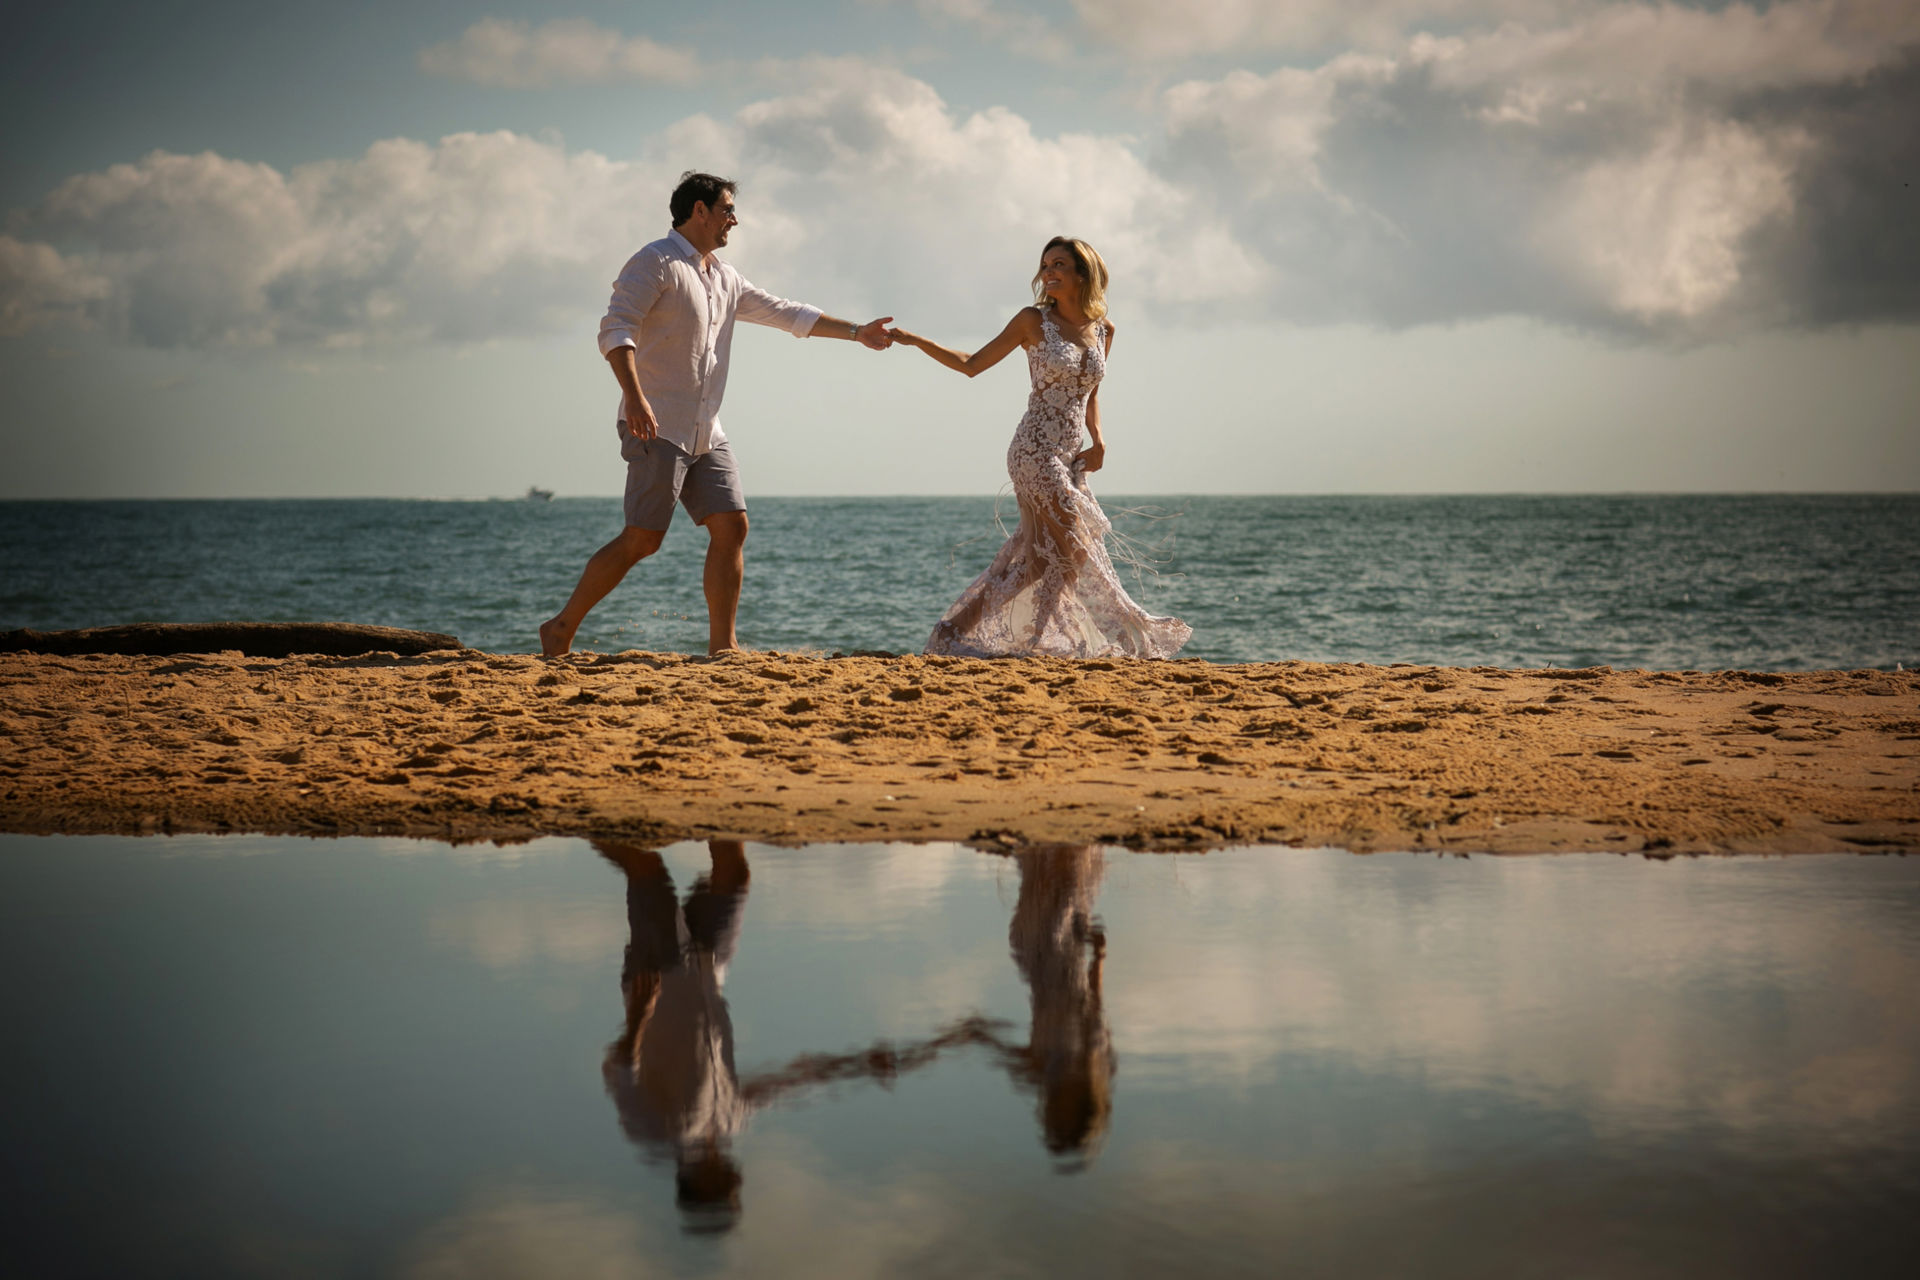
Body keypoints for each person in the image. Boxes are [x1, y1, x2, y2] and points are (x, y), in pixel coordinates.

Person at [540, 172, 895, 656]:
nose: (735, 219)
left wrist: (858, 331)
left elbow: (786, 313)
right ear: (699, 210)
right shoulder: (654, 262)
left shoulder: (725, 276)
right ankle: (560, 627)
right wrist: (635, 396)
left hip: (708, 429)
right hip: (656, 421)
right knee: (643, 539)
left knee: (732, 525)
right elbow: (615, 330)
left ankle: (722, 646)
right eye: (727, 209)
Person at [889, 238, 1191, 658]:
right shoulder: (1032, 321)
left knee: (1041, 561)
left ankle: (959, 632)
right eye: (1045, 264)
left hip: (1070, 457)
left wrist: (1100, 441)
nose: (1048, 272)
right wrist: (915, 340)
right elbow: (971, 364)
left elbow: (1092, 394)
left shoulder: (1105, 330)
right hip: (1033, 449)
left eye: (1059, 264)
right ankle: (1096, 635)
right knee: (1074, 549)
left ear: (1083, 274)